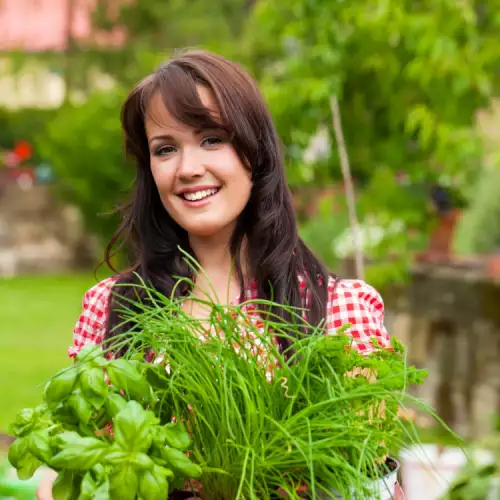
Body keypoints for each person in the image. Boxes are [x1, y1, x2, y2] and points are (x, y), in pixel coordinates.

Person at [36, 49, 390, 500]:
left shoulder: (338, 308)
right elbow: (69, 467)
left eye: (211, 139)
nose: (187, 169)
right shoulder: (112, 305)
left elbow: (364, 471)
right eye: (165, 149)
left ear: (254, 152)